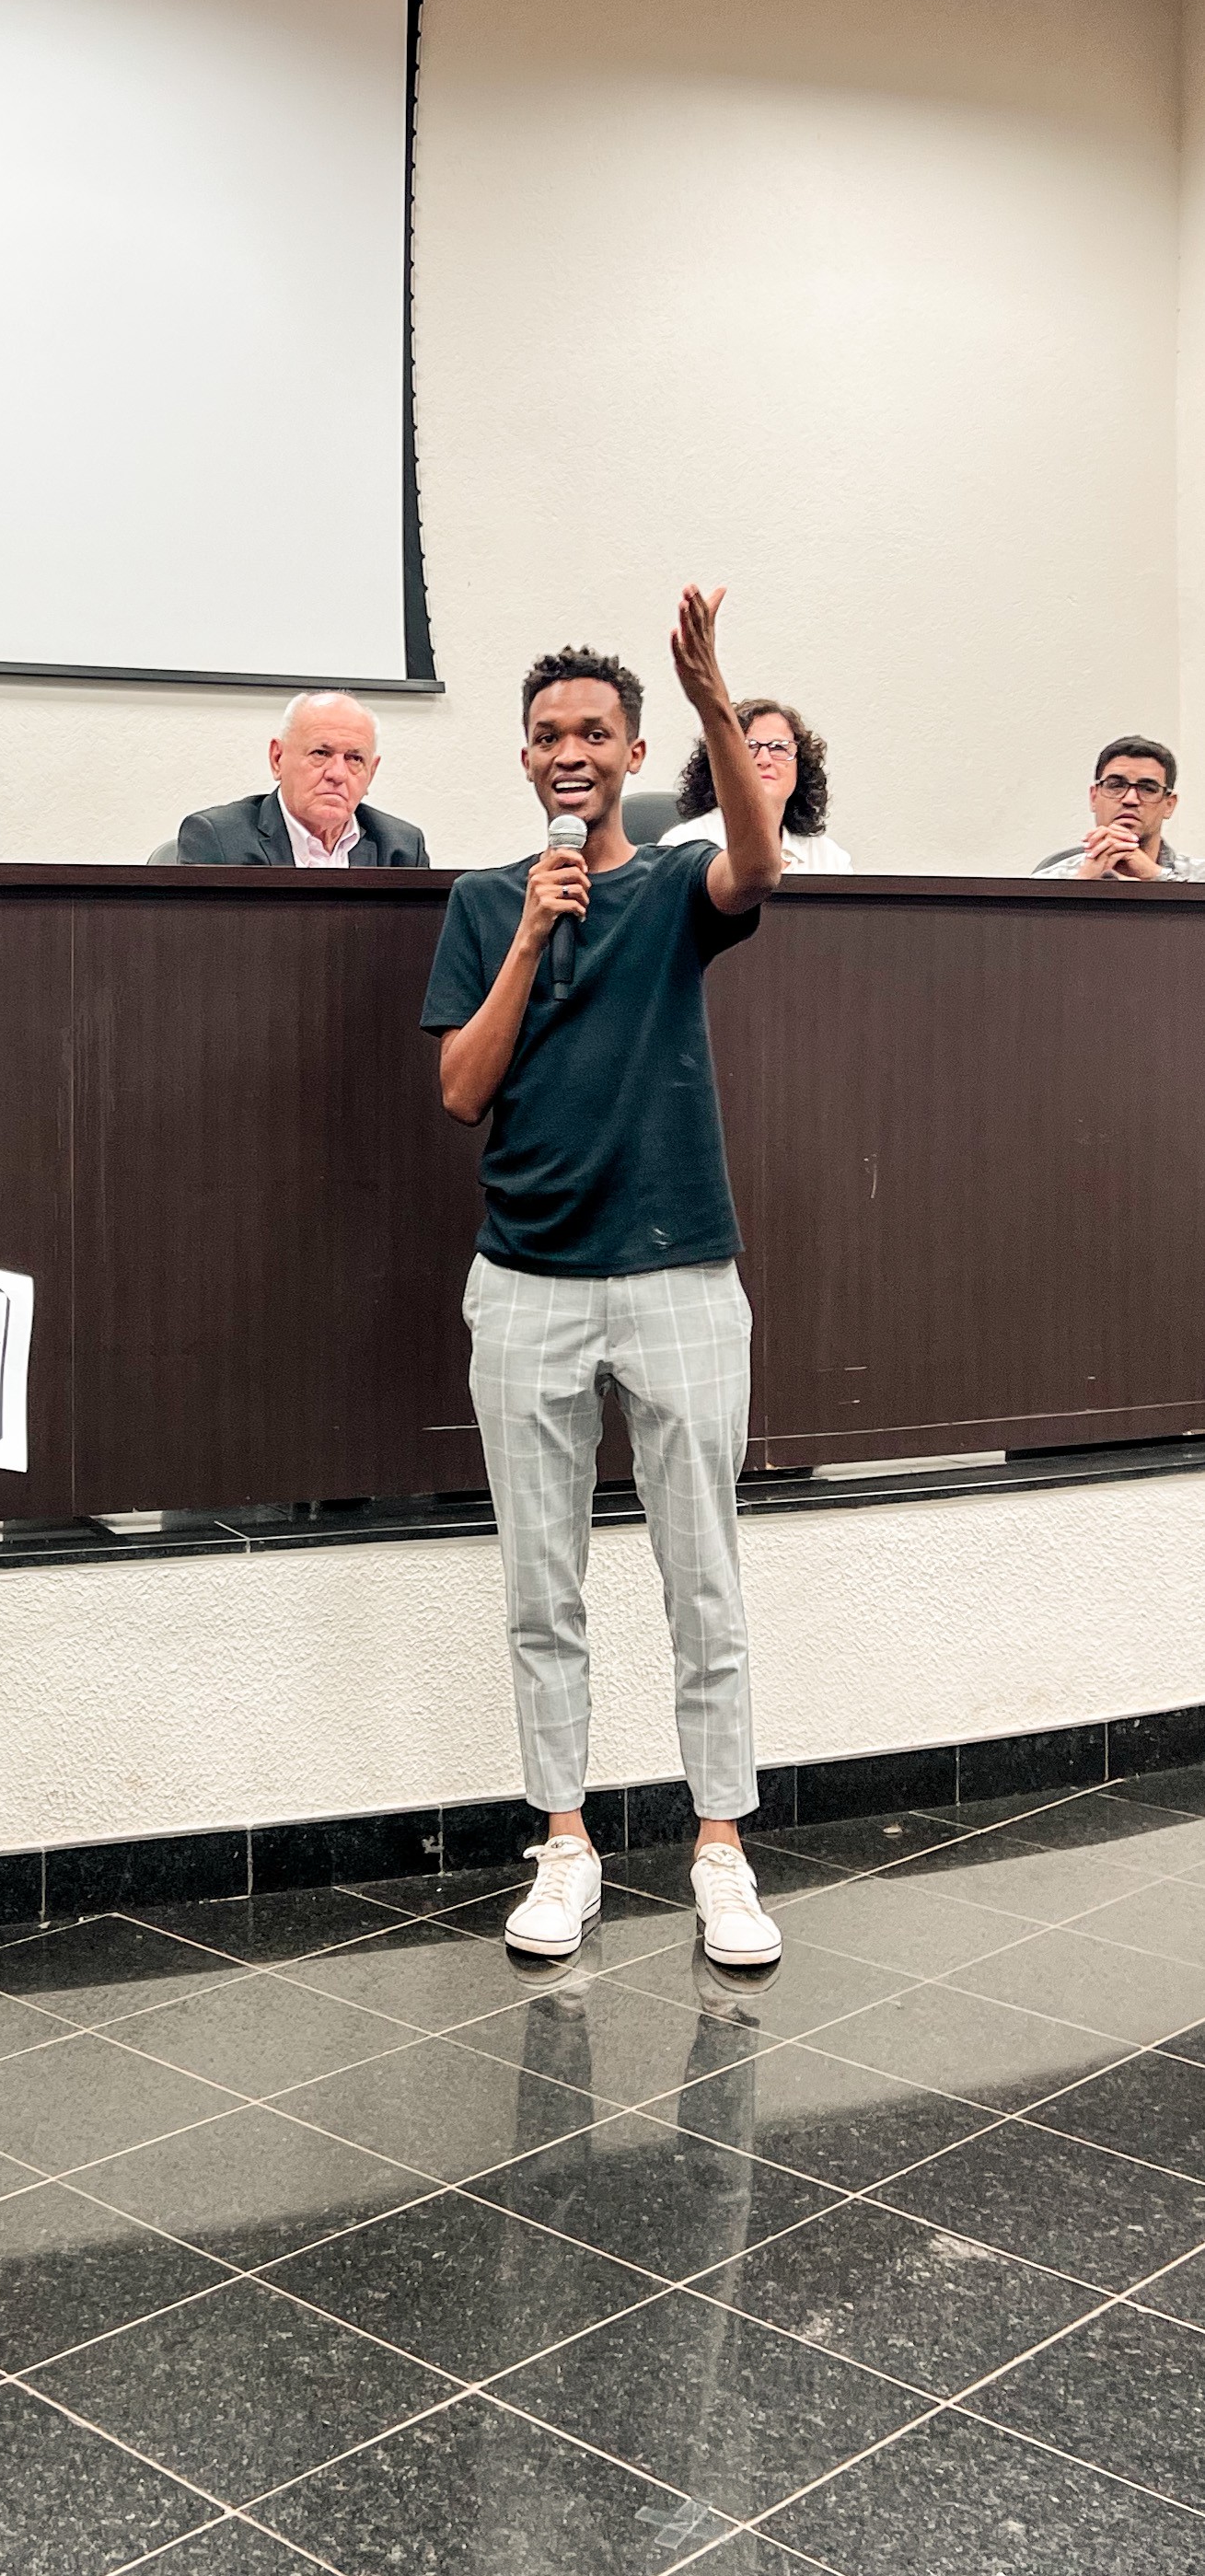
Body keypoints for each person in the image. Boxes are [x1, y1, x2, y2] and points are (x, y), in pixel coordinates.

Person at [421, 594, 787, 1971]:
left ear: (632, 753)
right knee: (542, 1586)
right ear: (524, 759)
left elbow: (758, 863)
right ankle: (564, 1843)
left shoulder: (677, 884)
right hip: (525, 1282)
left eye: (592, 732)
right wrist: (527, 932)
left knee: (704, 1579)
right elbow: (461, 1090)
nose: (567, 751)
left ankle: (720, 1850)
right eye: (545, 734)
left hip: (680, 1273)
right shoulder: (483, 902)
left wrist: (712, 700)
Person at [176, 691, 427, 867]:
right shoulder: (219, 839)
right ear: (277, 759)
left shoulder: (402, 850)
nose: (337, 774)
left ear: (371, 772)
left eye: (354, 758)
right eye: (321, 753)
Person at [664, 698, 852, 873]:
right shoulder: (681, 845)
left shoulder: (829, 859)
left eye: (779, 747)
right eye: (749, 747)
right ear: (719, 765)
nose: (764, 759)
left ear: (800, 767)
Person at [1032, 738, 1204, 882]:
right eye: (1115, 785)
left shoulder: (1198, 877)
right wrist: (1080, 887)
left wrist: (1158, 876)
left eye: (1148, 788)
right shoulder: (1052, 878)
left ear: (1169, 805)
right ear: (1094, 797)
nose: (1130, 799)